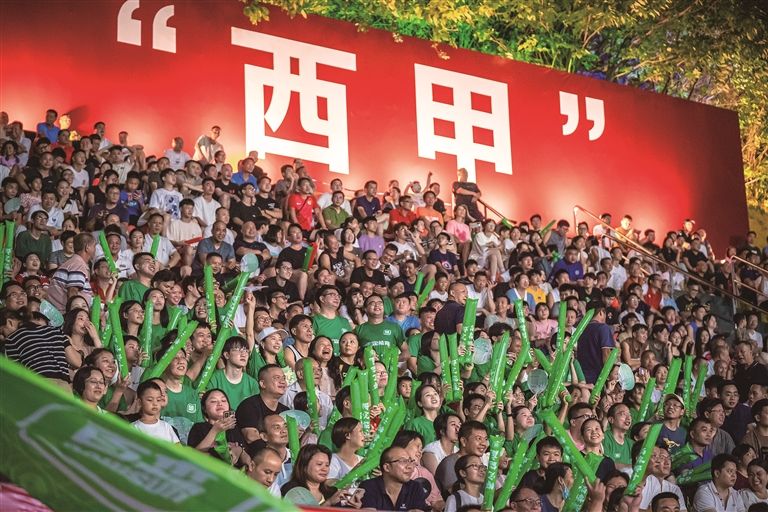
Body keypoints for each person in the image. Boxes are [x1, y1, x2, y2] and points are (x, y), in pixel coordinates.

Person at [187, 388, 249, 467]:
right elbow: (194, 456)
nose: (220, 403)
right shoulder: (198, 428)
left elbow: (244, 452)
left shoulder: (234, 428)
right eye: (213, 401)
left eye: (223, 400)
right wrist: (215, 430)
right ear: (204, 409)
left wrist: (240, 450)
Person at [359, 445, 429, 511]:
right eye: (403, 461)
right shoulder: (369, 487)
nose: (410, 466)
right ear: (387, 467)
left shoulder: (415, 488)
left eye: (410, 461)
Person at [47, 232, 96, 312]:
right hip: (64, 314)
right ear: (87, 247)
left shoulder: (73, 262)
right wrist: (74, 315)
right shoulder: (78, 265)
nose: (95, 250)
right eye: (94, 246)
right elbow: (72, 291)